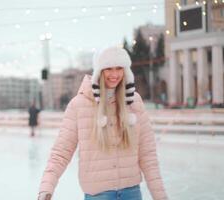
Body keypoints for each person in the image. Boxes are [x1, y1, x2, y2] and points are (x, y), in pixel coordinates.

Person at [38, 47, 167, 200]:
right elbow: (61, 153)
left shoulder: (134, 102)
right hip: (99, 195)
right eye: (108, 69)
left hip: (131, 193)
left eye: (119, 68)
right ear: (99, 71)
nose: (115, 74)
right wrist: (46, 189)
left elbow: (148, 155)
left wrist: (161, 196)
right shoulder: (79, 105)